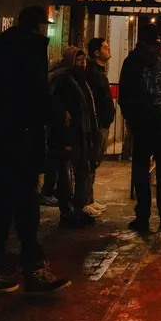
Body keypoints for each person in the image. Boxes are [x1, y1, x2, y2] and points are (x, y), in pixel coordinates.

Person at [0, 5, 69, 296]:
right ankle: (29, 270)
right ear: (40, 26)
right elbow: (35, 93)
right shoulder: (30, 50)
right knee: (23, 205)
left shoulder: (6, 49)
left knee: (8, 205)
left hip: (0, 141)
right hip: (19, 142)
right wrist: (57, 115)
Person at [119, 22, 161, 233]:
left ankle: (142, 217)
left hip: (142, 125)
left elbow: (125, 96)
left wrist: (132, 121)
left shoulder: (132, 60)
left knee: (141, 170)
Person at [49, 47, 100, 226]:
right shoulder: (63, 81)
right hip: (69, 137)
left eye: (84, 60)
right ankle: (67, 212)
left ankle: (78, 208)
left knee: (81, 172)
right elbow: (62, 113)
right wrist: (67, 140)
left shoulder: (79, 80)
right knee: (66, 176)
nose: (83, 64)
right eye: (79, 61)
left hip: (80, 136)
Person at [85, 36, 115, 212]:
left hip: (103, 123)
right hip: (97, 124)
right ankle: (86, 201)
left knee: (95, 161)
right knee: (90, 161)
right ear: (97, 52)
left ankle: (90, 198)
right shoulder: (93, 73)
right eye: (105, 48)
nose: (108, 49)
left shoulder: (99, 72)